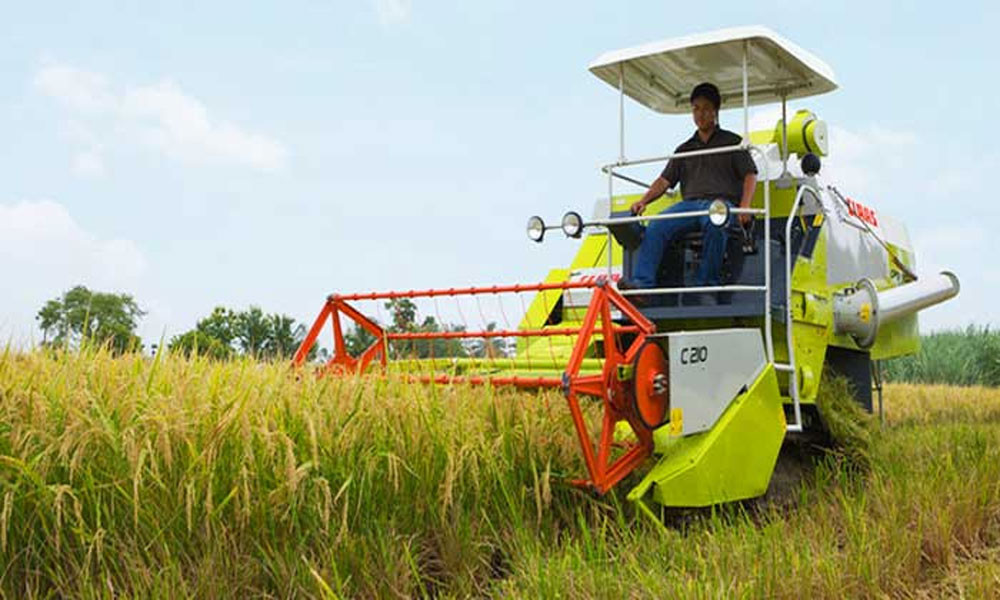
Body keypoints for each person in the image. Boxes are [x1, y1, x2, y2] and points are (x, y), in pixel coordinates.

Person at [623, 82, 757, 302]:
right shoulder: (684, 149)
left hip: (720, 205)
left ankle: (706, 285)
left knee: (717, 222)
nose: (700, 114)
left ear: (715, 111)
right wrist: (643, 200)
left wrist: (745, 207)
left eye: (705, 108)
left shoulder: (733, 143)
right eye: (695, 108)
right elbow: (665, 180)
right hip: (690, 206)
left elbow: (750, 175)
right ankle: (642, 286)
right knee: (656, 225)